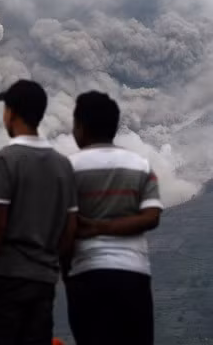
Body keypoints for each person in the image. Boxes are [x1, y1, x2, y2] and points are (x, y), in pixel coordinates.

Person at [0, 79, 78, 345]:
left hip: (7, 279)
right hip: (43, 282)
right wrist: (51, 262)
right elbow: (70, 228)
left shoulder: (4, 160)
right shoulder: (63, 165)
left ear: (12, 112)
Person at [65, 91, 162, 345]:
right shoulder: (140, 165)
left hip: (86, 276)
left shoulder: (66, 169)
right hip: (134, 275)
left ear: (80, 127)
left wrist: (96, 229)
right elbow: (152, 216)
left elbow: (63, 227)